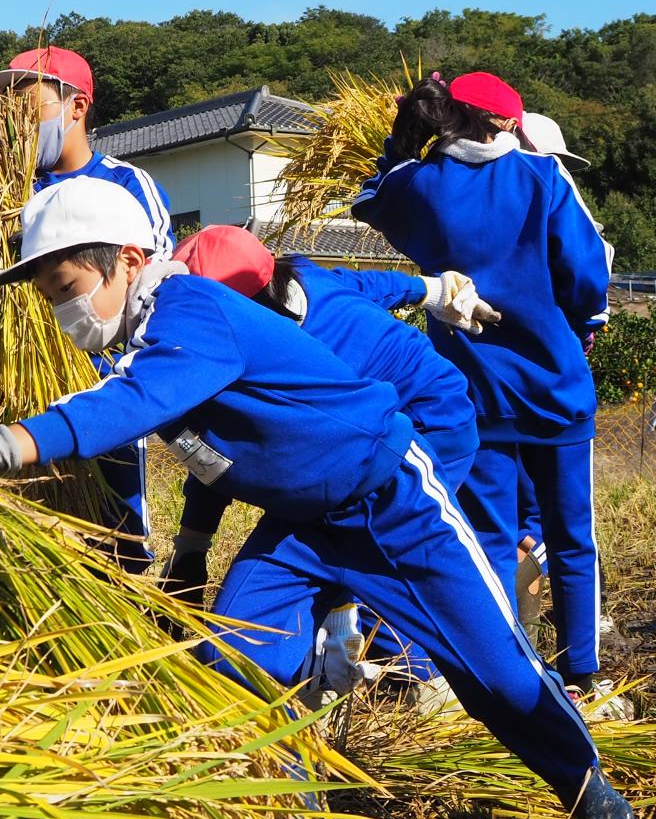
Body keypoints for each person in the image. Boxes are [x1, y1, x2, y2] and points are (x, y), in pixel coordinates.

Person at [0, 176, 656, 819]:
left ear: (128, 260)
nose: (64, 310)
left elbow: (129, 408)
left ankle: (602, 813)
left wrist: (2, 446)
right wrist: (193, 554)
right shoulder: (144, 342)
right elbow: (206, 454)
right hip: (304, 525)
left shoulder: (190, 311)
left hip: (391, 500)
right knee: (238, 656)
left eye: (67, 288)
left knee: (496, 670)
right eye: (51, 297)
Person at [351, 73, 619, 709]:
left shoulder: (419, 187)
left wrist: (402, 143)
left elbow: (367, 199)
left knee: (490, 537)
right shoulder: (544, 179)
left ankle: (508, 674)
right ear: (504, 123)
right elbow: (587, 276)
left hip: (474, 389)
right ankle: (583, 673)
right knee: (572, 535)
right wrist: (577, 323)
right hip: (555, 383)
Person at [161, 223, 489, 707]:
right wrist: (437, 289)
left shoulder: (295, 362)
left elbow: (244, 445)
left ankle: (425, 683)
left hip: (433, 424)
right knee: (326, 550)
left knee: (386, 552)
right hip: (361, 439)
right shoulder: (301, 277)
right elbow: (374, 284)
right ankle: (335, 652)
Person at [0, 46, 175, 569]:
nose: (16, 124)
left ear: (76, 107)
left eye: (29, 107)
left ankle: (130, 599)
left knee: (117, 531)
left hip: (101, 384)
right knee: (19, 534)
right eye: (6, 114)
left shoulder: (126, 185)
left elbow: (159, 282)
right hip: (14, 387)